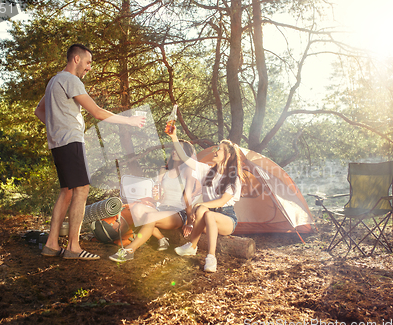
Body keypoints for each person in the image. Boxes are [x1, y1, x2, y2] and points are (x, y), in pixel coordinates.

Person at [34, 44, 145, 260]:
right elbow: (96, 112)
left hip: (58, 143)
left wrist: (56, 128)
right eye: (88, 63)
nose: (89, 68)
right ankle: (73, 247)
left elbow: (40, 110)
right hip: (71, 141)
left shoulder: (54, 82)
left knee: (66, 191)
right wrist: (128, 121)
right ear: (76, 59)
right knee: (81, 190)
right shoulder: (70, 80)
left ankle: (51, 244)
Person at [167, 128, 245, 272]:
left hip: (226, 219)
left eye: (219, 149)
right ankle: (192, 247)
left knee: (206, 212)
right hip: (205, 217)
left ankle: (211, 257)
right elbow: (185, 158)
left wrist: (200, 204)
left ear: (228, 156)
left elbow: (221, 202)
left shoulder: (234, 179)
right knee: (205, 211)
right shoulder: (207, 171)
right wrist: (174, 137)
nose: (215, 151)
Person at [109, 140, 198, 262]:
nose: (174, 151)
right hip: (161, 208)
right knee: (136, 209)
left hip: (177, 212)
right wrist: (156, 195)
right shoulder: (164, 170)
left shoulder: (188, 171)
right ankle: (161, 238)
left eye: (179, 149)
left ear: (185, 153)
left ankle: (129, 250)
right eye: (173, 149)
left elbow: (187, 197)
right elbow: (159, 198)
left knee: (151, 216)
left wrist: (189, 222)